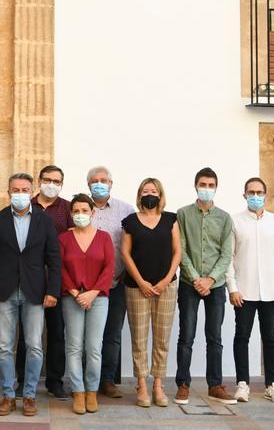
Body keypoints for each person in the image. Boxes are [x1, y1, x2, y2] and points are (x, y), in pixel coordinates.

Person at [0, 173, 62, 418]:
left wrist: (52, 291)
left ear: (32, 191)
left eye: (24, 189)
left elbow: (54, 259)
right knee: (4, 346)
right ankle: (8, 394)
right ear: (8, 193)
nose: (19, 193)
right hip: (4, 290)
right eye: (15, 190)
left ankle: (29, 395)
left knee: (35, 346)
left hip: (35, 291)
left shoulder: (44, 220)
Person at [227, 178, 274, 404]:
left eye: (259, 192)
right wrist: (232, 287)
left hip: (272, 291)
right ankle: (242, 384)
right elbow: (229, 257)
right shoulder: (235, 222)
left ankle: (271, 384)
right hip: (244, 291)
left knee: (270, 338)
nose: (255, 195)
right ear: (244, 195)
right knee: (242, 337)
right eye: (251, 192)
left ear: (266, 194)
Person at [173, 167, 235, 405]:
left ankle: (215, 385)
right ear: (195, 186)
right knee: (186, 335)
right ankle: (183, 384)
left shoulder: (224, 218)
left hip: (216, 285)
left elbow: (226, 254)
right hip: (190, 283)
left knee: (215, 337)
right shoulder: (183, 214)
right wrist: (196, 278)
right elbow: (182, 250)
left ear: (216, 188)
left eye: (210, 185)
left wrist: (210, 279)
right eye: (203, 184)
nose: (206, 189)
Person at [121, 178, 181, 408]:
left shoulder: (170, 219)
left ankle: (158, 384)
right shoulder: (130, 221)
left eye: (153, 191)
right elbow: (125, 254)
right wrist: (141, 282)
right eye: (145, 191)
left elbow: (178, 252)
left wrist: (166, 280)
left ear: (160, 194)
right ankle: (142, 385)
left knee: (162, 338)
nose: (149, 194)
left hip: (166, 287)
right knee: (139, 338)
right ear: (139, 194)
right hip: (137, 288)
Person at [16, 164, 73, 400]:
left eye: (57, 181)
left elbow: (74, 241)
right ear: (39, 180)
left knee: (57, 332)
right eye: (47, 179)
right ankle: (23, 380)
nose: (51, 184)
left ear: (61, 184)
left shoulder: (68, 208)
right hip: (29, 280)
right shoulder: (26, 204)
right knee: (26, 335)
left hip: (57, 280)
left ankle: (54, 380)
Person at [57, 194, 114, 415]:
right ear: (71, 214)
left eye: (84, 210)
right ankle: (78, 392)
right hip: (71, 298)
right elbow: (59, 268)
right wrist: (74, 292)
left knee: (93, 348)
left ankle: (92, 390)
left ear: (93, 212)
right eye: (76, 211)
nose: (80, 214)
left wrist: (92, 293)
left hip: (98, 299)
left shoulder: (104, 238)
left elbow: (109, 267)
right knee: (73, 347)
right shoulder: (63, 239)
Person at [85, 166, 135, 399]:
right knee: (88, 335)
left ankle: (107, 380)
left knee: (112, 333)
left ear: (111, 184)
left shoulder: (126, 210)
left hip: (117, 282)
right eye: (95, 180)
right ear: (88, 185)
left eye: (104, 180)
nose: (100, 184)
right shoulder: (81, 209)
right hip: (86, 286)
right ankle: (88, 381)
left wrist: (128, 271)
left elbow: (133, 244)